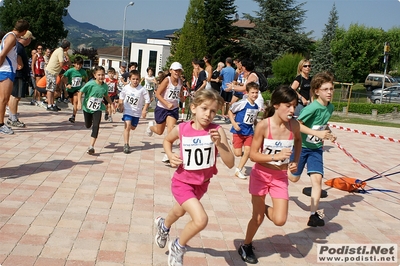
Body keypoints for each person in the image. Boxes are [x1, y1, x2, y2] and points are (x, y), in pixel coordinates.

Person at [154, 89, 235, 266]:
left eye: (213, 111)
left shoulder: (216, 131)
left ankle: (163, 226)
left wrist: (219, 144)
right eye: (204, 108)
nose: (208, 114)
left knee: (179, 211)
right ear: (194, 108)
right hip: (182, 182)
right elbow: (167, 141)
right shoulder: (182, 129)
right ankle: (178, 246)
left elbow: (230, 163)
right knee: (201, 219)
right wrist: (170, 155)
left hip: (201, 184)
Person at [238, 85, 302, 264]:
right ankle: (246, 245)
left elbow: (298, 141)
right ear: (275, 105)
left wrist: (295, 161)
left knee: (280, 220)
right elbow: (252, 155)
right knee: (257, 218)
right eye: (288, 105)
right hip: (261, 176)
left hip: (280, 178)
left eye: (294, 106)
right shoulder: (263, 126)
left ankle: (264, 207)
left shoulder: (294, 126)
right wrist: (275, 156)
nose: (292, 110)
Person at [287, 72, 336, 227]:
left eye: (331, 89)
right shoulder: (312, 107)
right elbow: (296, 124)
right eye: (325, 89)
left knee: (317, 180)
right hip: (302, 147)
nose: (329, 92)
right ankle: (278, 170)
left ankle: (313, 215)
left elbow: (322, 124)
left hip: (316, 149)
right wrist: (316, 133)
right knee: (294, 178)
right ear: (316, 91)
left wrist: (329, 134)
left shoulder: (331, 107)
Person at [146, 62, 184, 164]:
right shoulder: (167, 81)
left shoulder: (180, 81)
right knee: (159, 131)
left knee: (171, 129)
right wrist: (166, 104)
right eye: (175, 70)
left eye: (179, 71)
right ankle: (150, 127)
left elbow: (180, 94)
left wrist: (182, 97)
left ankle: (168, 154)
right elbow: (157, 94)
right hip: (162, 108)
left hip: (173, 109)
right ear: (171, 71)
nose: (177, 72)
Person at [0, 19, 29, 135]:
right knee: (3, 99)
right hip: (6, 71)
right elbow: (2, 54)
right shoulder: (11, 37)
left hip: (7, 70)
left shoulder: (9, 36)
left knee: (3, 99)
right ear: (24, 31)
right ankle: (1, 124)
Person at [77, 66, 115, 155]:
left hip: (97, 108)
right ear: (94, 75)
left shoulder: (105, 86)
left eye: (102, 75)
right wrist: (79, 102)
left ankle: (91, 146)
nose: (101, 77)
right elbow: (80, 92)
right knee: (88, 125)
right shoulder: (90, 84)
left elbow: (106, 96)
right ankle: (88, 125)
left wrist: (111, 105)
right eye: (99, 75)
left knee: (96, 125)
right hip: (87, 108)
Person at [228, 82, 260, 180]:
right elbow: (230, 111)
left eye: (256, 92)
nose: (254, 95)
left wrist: (257, 126)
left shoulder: (256, 106)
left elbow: (253, 118)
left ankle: (239, 170)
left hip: (249, 132)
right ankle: (233, 143)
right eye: (252, 93)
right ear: (247, 93)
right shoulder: (242, 103)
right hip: (239, 131)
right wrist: (233, 123)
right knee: (237, 153)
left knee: (247, 151)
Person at [118, 70, 150, 154]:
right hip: (127, 110)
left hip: (136, 112)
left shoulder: (142, 89)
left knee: (133, 127)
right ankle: (126, 144)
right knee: (127, 126)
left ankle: (133, 128)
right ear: (129, 79)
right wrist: (120, 105)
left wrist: (144, 110)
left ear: (139, 80)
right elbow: (121, 96)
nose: (135, 81)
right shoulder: (126, 88)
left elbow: (147, 100)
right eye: (133, 79)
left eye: (137, 79)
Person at [7, 30, 34, 129]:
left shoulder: (18, 46)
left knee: (15, 96)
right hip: (19, 75)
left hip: (18, 74)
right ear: (27, 39)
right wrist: (20, 65)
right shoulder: (19, 47)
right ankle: (13, 118)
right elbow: (17, 57)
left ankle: (12, 116)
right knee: (15, 96)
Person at [45, 40, 70, 111]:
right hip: (51, 72)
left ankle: (52, 104)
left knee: (53, 89)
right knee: (50, 89)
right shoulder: (60, 52)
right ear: (67, 47)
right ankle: (49, 105)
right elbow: (61, 64)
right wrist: (67, 63)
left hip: (53, 72)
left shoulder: (59, 50)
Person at [63, 56, 88, 123]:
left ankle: (73, 116)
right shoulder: (70, 71)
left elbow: (86, 78)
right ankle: (70, 100)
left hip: (78, 89)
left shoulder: (83, 71)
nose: (78, 66)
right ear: (74, 64)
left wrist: (86, 85)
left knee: (75, 102)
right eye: (77, 64)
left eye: (80, 64)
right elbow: (63, 77)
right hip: (70, 89)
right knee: (72, 102)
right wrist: (67, 84)